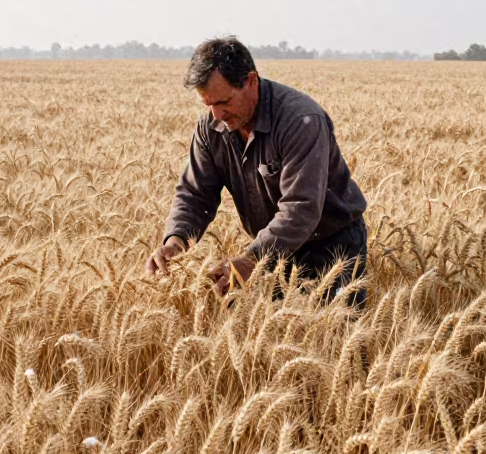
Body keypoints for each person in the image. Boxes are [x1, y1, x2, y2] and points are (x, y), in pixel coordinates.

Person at [145, 37, 367, 303]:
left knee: (331, 336)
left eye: (223, 101)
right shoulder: (211, 127)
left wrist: (252, 258)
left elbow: (301, 207)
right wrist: (176, 241)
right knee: (277, 333)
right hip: (272, 249)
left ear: (251, 81)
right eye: (208, 105)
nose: (216, 115)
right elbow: (195, 194)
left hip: (331, 246)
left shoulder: (299, 121)